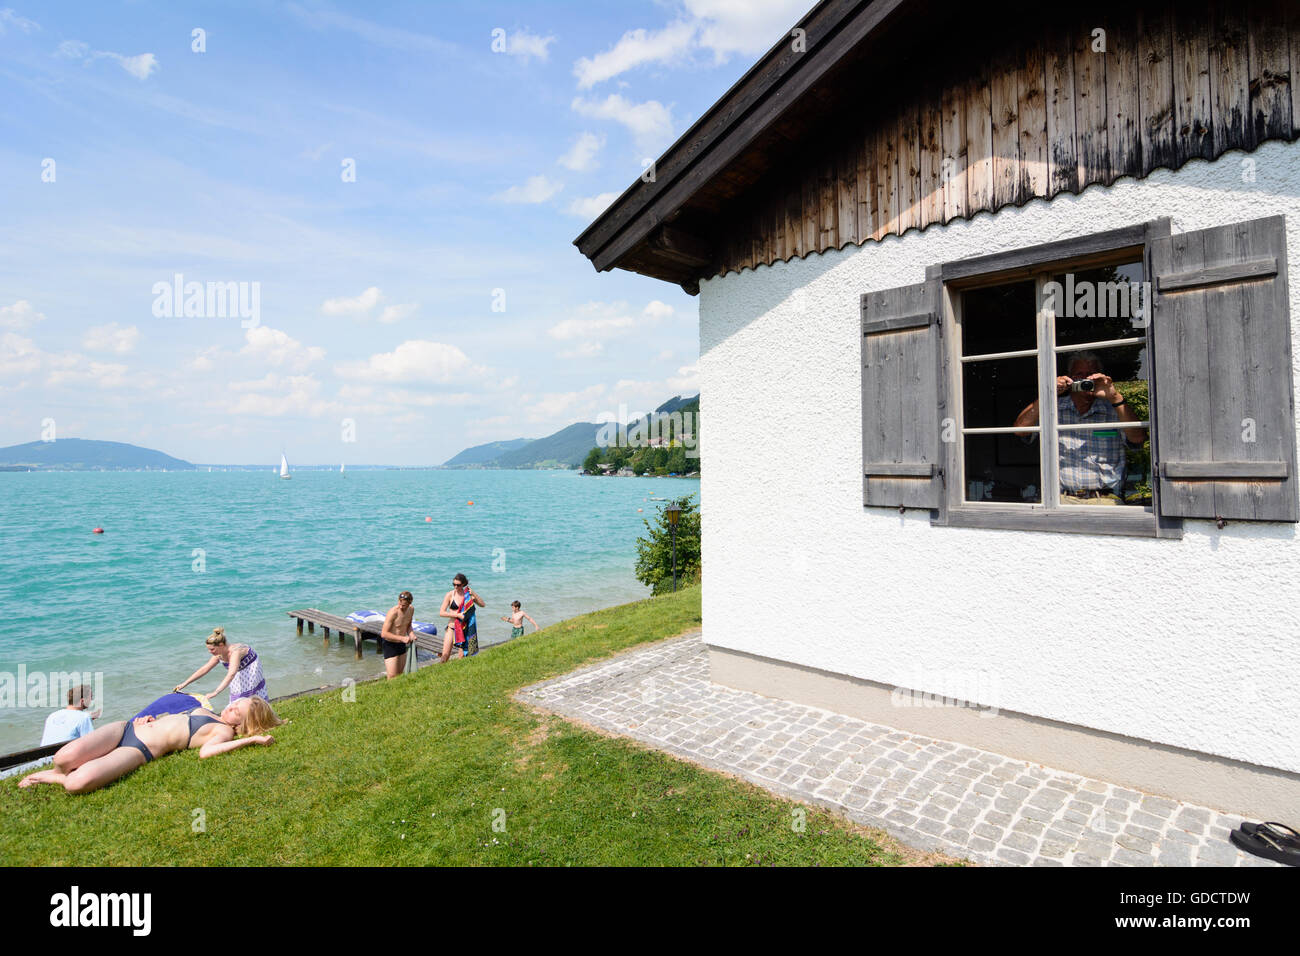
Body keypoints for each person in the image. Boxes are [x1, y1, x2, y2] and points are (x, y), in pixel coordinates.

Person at [18, 692, 281, 795]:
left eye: (238, 710)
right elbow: (173, 721)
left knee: (76, 784)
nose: (232, 705)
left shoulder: (223, 732)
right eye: (236, 702)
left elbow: (206, 753)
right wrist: (150, 719)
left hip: (138, 750)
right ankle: (56, 770)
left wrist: (253, 740)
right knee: (63, 757)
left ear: (243, 724)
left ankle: (51, 778)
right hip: (127, 728)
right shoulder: (209, 711)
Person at [1013, 351, 1147, 504]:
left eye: (1090, 375)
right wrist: (1048, 393)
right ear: (1069, 378)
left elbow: (1138, 439)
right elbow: (1020, 429)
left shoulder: (1114, 410)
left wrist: (1114, 397)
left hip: (1106, 500)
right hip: (1060, 499)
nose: (1084, 379)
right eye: (1079, 375)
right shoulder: (1053, 409)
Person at [174, 626, 269, 702]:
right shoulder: (218, 654)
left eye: (212, 649)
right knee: (236, 697)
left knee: (250, 696)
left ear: (221, 645)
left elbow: (231, 673)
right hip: (237, 670)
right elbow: (205, 669)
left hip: (250, 668)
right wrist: (184, 683)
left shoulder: (235, 652)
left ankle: (262, 717)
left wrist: (216, 692)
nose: (210, 652)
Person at [439, 574, 484, 662]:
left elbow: (482, 605)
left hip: (464, 629)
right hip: (452, 628)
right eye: (454, 584)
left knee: (462, 656)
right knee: (445, 654)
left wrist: (473, 593)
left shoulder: (468, 596)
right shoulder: (450, 595)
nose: (456, 587)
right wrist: (457, 615)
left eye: (458, 585)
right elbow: (442, 613)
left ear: (463, 584)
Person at [380, 591, 417, 679]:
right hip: (390, 644)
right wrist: (402, 638)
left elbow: (408, 625)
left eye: (403, 605)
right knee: (392, 675)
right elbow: (384, 633)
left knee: (400, 674)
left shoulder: (411, 609)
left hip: (401, 644)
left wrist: (411, 634)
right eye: (399, 603)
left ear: (409, 603)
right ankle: (389, 692)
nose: (400, 606)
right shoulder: (393, 612)